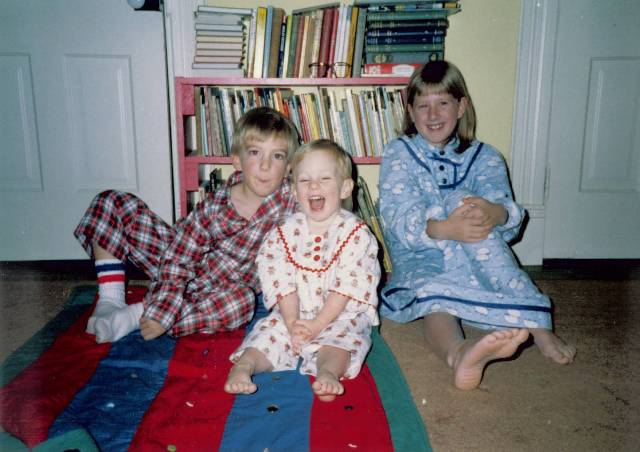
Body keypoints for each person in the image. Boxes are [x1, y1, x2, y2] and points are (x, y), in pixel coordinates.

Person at [378, 60, 576, 390]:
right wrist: (444, 229)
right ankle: (460, 353)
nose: (433, 114)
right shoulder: (399, 152)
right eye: (423, 106)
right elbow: (397, 215)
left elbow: (505, 212)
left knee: (470, 209)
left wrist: (493, 213)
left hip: (480, 252)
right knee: (435, 300)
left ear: (461, 107)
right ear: (410, 112)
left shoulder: (486, 156)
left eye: (443, 103)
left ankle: (539, 328)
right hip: (423, 253)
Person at [74, 107, 299, 343]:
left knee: (241, 303)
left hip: (224, 290)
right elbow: (179, 257)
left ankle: (138, 314)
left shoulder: (291, 201)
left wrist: (160, 314)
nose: (265, 166)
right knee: (113, 201)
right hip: (179, 265)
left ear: (288, 167)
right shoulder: (214, 205)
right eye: (255, 153)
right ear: (237, 160)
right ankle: (111, 300)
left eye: (277, 156)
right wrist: (166, 302)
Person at [224, 139, 381, 402]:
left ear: (345, 188)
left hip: (340, 312)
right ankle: (245, 366)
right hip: (294, 312)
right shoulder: (283, 233)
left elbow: (348, 286)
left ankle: (328, 371)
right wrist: (292, 323)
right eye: (305, 180)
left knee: (344, 338)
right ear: (295, 192)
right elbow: (279, 280)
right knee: (268, 332)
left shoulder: (356, 234)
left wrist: (318, 325)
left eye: (324, 178)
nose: (314, 186)